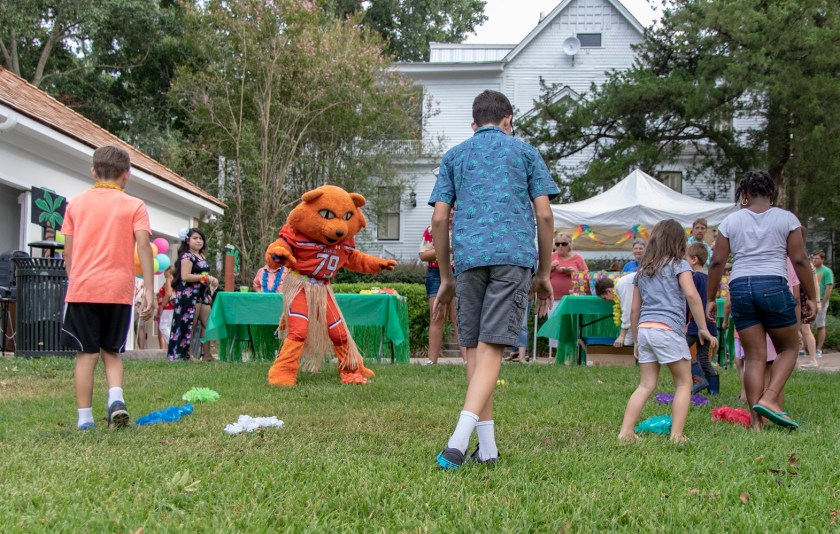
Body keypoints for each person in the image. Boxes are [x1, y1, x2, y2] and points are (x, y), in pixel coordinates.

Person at [429, 90, 558, 469]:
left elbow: (439, 220)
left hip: (468, 259)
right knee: (489, 349)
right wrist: (545, 272)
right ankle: (457, 442)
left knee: (474, 349)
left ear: (474, 123)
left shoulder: (454, 157)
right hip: (513, 256)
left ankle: (487, 449)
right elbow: (545, 216)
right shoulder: (525, 153)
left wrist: (447, 277)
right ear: (508, 120)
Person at [706, 170, 817, 430]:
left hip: (740, 287)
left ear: (745, 195)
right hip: (773, 285)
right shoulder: (786, 219)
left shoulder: (731, 221)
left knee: (754, 358)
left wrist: (711, 298)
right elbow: (800, 259)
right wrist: (811, 297)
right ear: (772, 193)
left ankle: (756, 425)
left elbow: (717, 262)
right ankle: (769, 399)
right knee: (789, 348)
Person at [59, 145, 155, 429]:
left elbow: (68, 252)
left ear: (93, 172)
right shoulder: (135, 205)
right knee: (111, 351)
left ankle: (85, 420)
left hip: (84, 287)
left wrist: (74, 277)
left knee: (86, 354)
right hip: (118, 289)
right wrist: (148, 288)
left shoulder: (75, 204)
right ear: (127, 175)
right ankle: (116, 399)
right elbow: (144, 246)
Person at [617, 219, 717, 442]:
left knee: (645, 384)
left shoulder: (643, 270)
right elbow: (692, 295)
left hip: (644, 329)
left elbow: (634, 309)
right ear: (679, 241)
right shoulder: (680, 265)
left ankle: (626, 432)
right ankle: (677, 435)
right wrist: (702, 328)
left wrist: (635, 340)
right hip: (668, 329)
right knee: (684, 383)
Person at [419, 214, 466, 364]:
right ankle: (432, 361)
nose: (451, 213)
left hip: (460, 272)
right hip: (436, 273)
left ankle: (467, 360)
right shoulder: (432, 230)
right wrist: (446, 249)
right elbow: (423, 255)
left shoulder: (465, 230)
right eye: (449, 209)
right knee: (437, 316)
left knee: (459, 317)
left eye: (455, 209)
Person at [166, 227, 218, 361]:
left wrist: (211, 280)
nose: (199, 241)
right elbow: (185, 276)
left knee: (208, 323)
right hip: (189, 295)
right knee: (190, 324)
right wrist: (205, 278)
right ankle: (188, 354)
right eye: (195, 238)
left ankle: (207, 354)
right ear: (188, 241)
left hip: (202, 294)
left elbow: (204, 275)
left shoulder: (202, 256)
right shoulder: (186, 256)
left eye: (201, 238)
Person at [685, 242, 719, 394]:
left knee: (680, 350)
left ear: (694, 259)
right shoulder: (709, 279)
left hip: (695, 326)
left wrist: (683, 318)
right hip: (710, 326)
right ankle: (713, 389)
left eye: (685, 259)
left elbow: (690, 300)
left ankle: (698, 380)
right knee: (703, 358)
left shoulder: (694, 278)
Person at [549, 232, 588, 353]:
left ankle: (572, 351)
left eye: (564, 244)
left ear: (569, 244)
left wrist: (574, 272)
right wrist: (550, 268)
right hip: (553, 297)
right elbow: (541, 275)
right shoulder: (551, 257)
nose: (560, 246)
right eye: (557, 244)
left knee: (572, 325)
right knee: (555, 323)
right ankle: (556, 353)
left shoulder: (578, 258)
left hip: (573, 298)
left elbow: (586, 276)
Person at [594, 273, 636, 347]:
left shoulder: (621, 285)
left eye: (604, 298)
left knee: (626, 340)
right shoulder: (621, 285)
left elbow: (628, 311)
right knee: (627, 341)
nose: (606, 301)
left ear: (609, 291)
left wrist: (622, 336)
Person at [812, 250, 833, 357]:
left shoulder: (826, 271)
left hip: (821, 301)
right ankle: (805, 348)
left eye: (817, 258)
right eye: (813, 258)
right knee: (807, 326)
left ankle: (818, 349)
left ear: (822, 259)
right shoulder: (811, 270)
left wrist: (823, 303)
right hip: (811, 301)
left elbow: (829, 288)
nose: (814, 260)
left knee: (820, 325)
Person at [157, 266, 175, 349]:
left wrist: (162, 306)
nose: (164, 273)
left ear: (169, 271)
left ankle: (173, 344)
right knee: (169, 327)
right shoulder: (174, 280)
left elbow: (168, 293)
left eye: (165, 270)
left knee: (163, 327)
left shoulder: (169, 280)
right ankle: (173, 344)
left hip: (168, 308)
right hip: (171, 308)